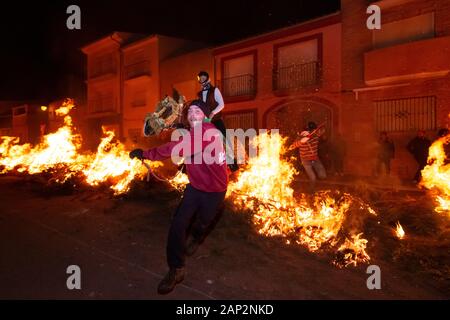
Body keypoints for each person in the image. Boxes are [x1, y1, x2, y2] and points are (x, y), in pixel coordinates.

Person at [129, 99, 228, 295]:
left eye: (197, 111)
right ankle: (176, 269)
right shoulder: (193, 132)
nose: (192, 114)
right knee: (178, 224)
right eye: (189, 111)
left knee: (203, 222)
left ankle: (198, 236)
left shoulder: (208, 131)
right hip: (195, 188)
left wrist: (147, 153)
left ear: (206, 115)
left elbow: (177, 148)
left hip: (215, 190)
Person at [197, 71, 239, 171]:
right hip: (206, 121)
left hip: (216, 119)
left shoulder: (215, 90)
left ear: (207, 78)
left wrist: (212, 113)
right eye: (200, 79)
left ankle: (232, 164)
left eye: (204, 78)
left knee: (225, 139)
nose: (202, 80)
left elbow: (222, 104)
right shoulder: (199, 94)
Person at [289, 121, 326, 193]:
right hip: (306, 161)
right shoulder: (300, 137)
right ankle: (311, 191)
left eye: (312, 130)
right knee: (313, 177)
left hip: (315, 159)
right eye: (310, 130)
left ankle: (315, 184)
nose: (311, 132)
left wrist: (318, 130)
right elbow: (293, 146)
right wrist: (303, 140)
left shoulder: (315, 136)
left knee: (323, 175)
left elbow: (322, 131)